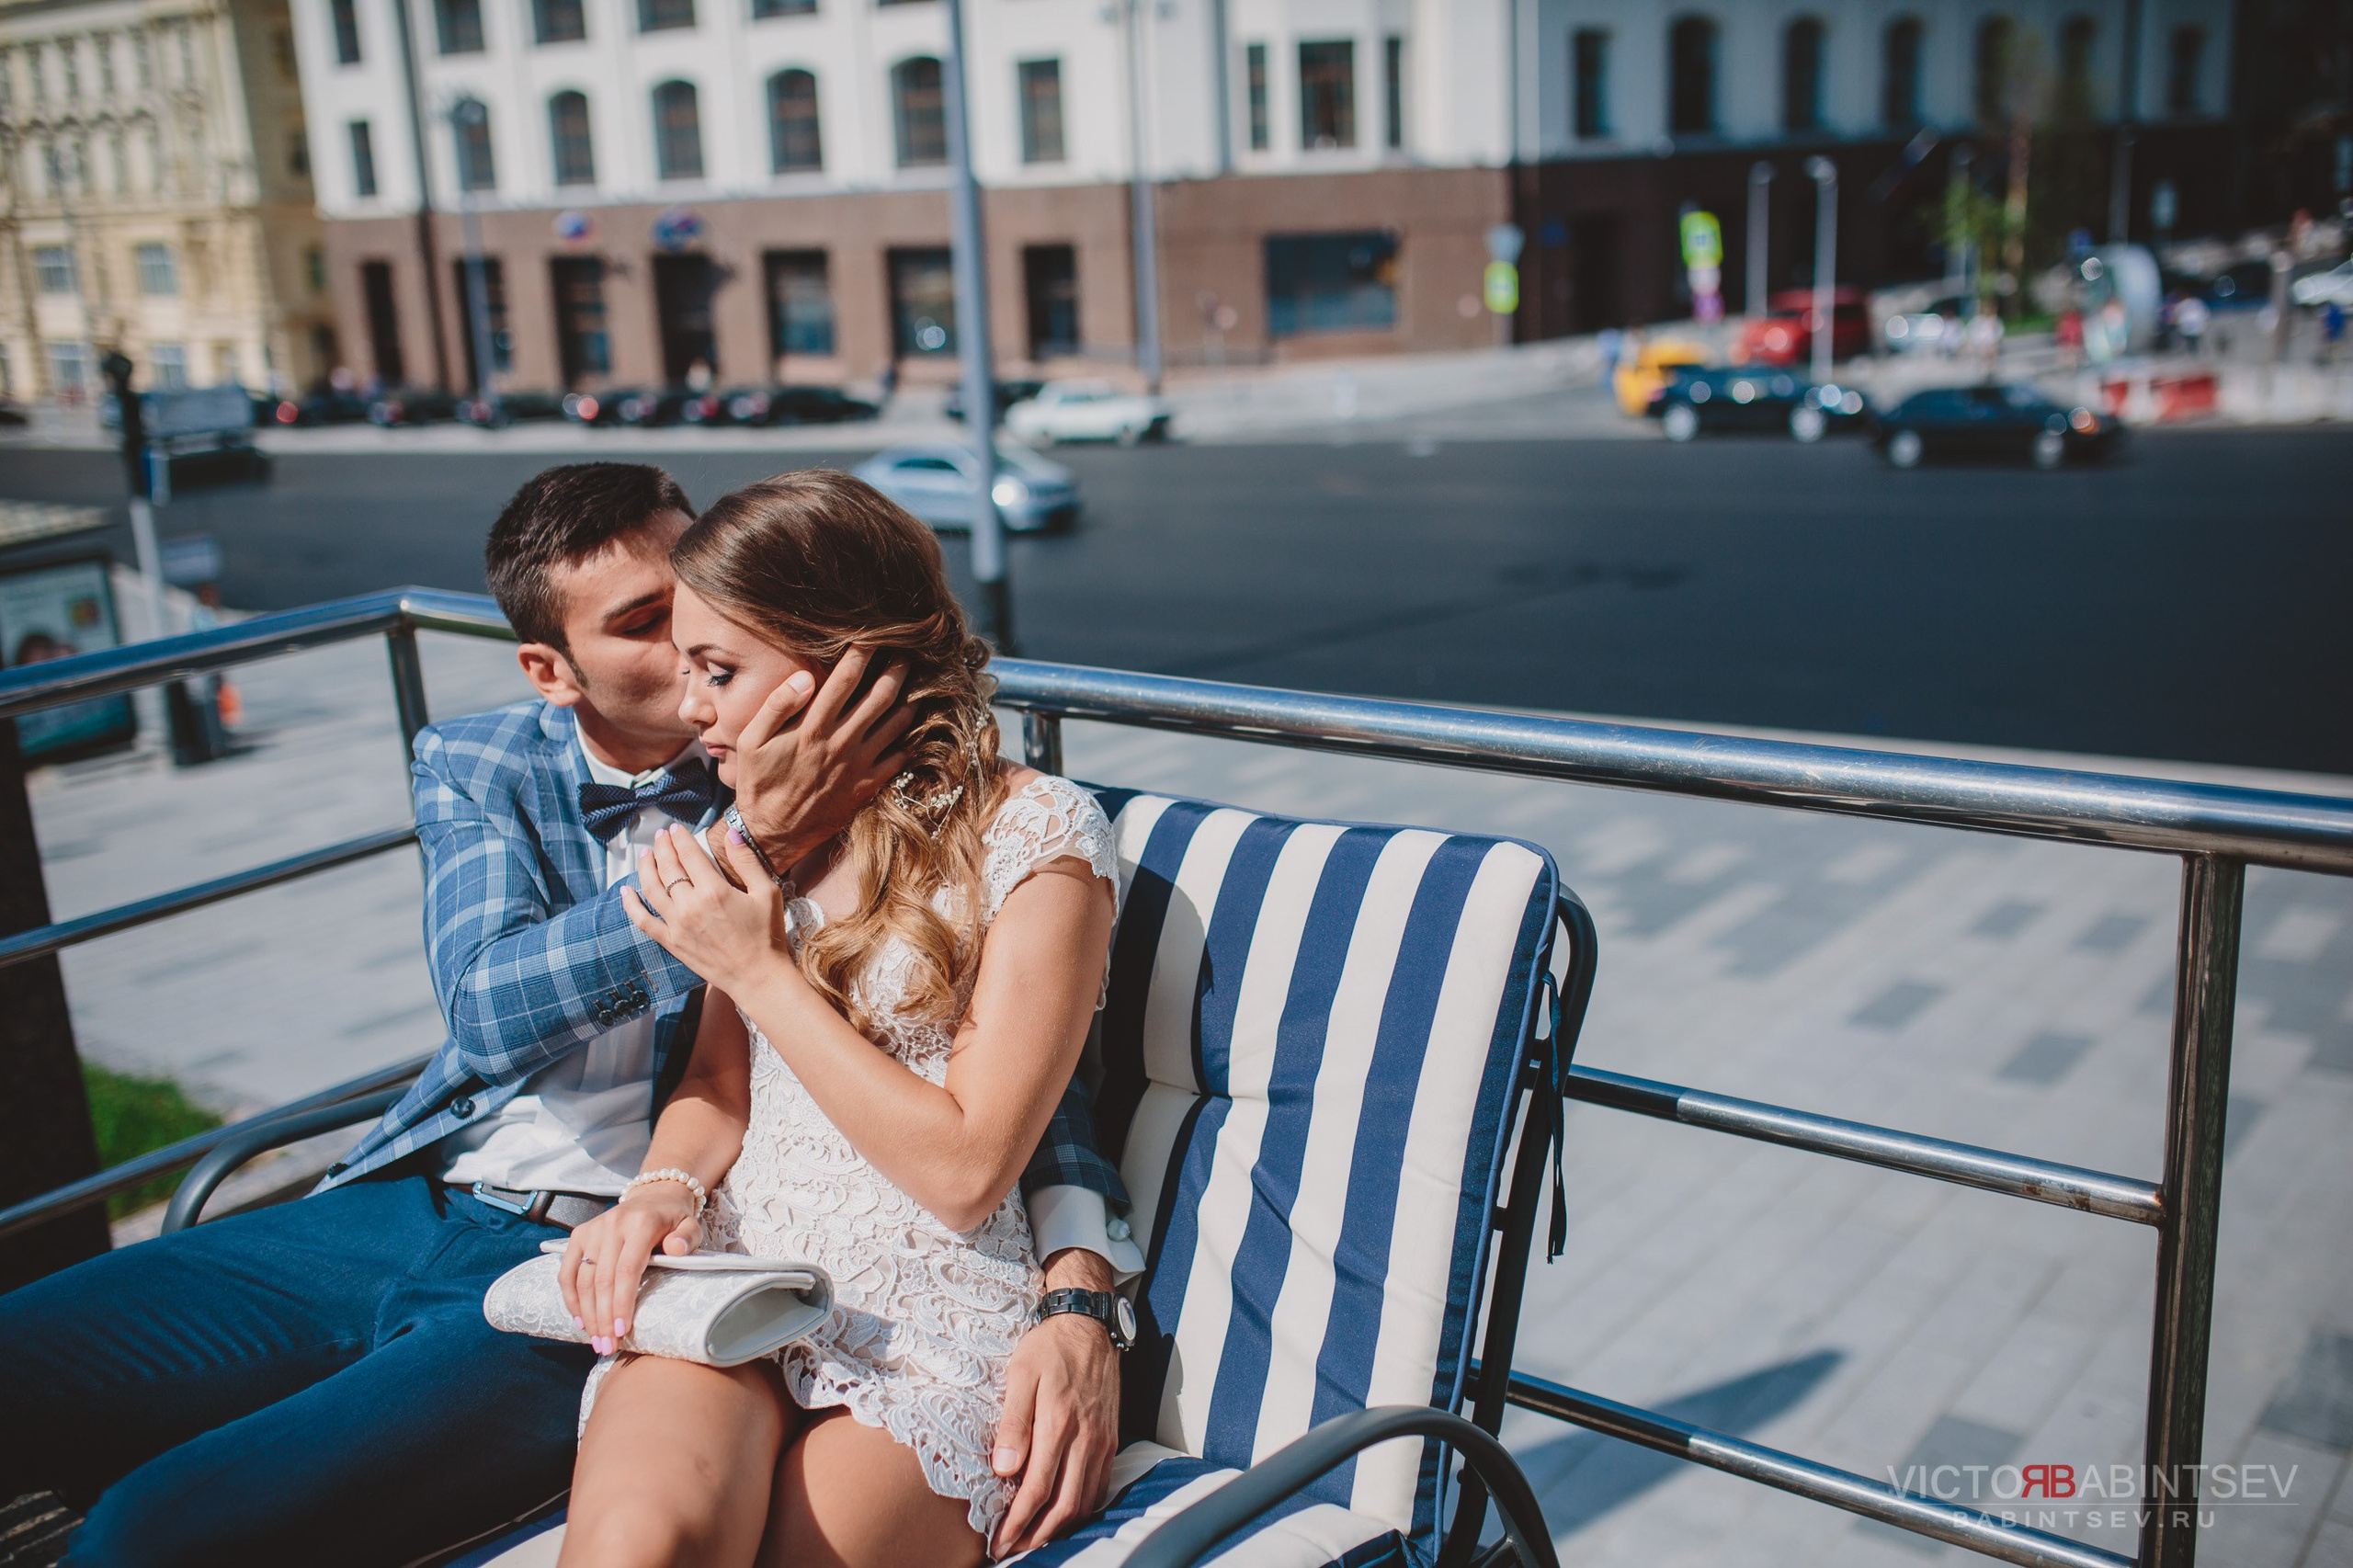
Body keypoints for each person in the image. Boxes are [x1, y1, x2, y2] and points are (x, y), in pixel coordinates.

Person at [0, 463, 1131, 1566]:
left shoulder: (873, 796)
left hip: (671, 1263)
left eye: (709, 648)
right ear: (552, 667)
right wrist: (753, 853)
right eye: (650, 629)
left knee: (148, 1529)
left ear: (822, 654)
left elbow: (1015, 1089)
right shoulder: (490, 763)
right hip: (453, 1201)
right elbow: (491, 1014)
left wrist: (1078, 1293)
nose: (693, 697)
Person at [551, 472, 1122, 1568]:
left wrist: (761, 971)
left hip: (930, 1310)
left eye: (718, 670)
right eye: (686, 670)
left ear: (847, 659)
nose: (691, 709)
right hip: (738, 1271)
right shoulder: (752, 832)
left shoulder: (1038, 834)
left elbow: (967, 1165)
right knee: (632, 1548)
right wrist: (657, 1193)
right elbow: (720, 1087)